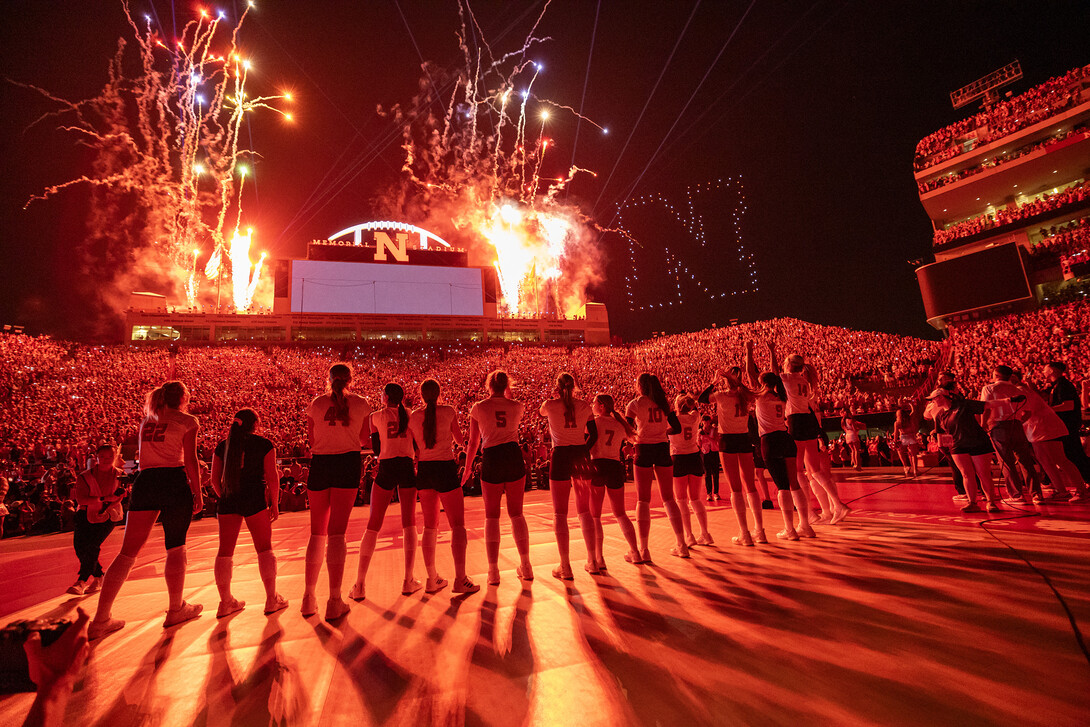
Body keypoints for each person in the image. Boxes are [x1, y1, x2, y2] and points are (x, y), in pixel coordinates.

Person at [89, 381, 202, 640]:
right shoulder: (188, 420)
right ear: (184, 397)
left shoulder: (147, 420)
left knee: (127, 553)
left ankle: (100, 619)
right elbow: (192, 459)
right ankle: (176, 608)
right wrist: (197, 492)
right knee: (176, 546)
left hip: (146, 481)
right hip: (172, 480)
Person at [304, 364, 370, 621]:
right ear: (350, 380)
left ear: (329, 379)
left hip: (321, 463)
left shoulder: (317, 404)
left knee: (316, 532)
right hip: (347, 462)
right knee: (337, 532)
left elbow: (311, 440)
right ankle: (334, 599)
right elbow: (364, 439)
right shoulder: (361, 403)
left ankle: (308, 598)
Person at [209, 409, 288, 617]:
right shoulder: (263, 444)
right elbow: (272, 477)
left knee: (225, 551)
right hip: (254, 496)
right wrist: (275, 503)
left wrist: (225, 496)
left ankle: (225, 601)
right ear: (255, 424)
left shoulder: (222, 446)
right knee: (264, 548)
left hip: (229, 497)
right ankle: (271, 599)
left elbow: (214, 480)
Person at [350, 382, 421, 602]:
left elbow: (378, 448)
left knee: (373, 525)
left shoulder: (375, 417)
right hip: (407, 466)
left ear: (386, 396)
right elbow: (417, 445)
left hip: (387, 466)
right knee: (409, 523)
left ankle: (360, 584)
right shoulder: (411, 414)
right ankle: (408, 580)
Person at [461, 370, 533, 585]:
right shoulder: (517, 406)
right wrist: (507, 392)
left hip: (492, 455)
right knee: (517, 514)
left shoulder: (478, 407)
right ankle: (526, 566)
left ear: (488, 385)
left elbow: (473, 443)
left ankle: (493, 571)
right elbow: (508, 403)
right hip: (512, 454)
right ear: (506, 385)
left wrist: (467, 469)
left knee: (491, 516)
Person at [408, 379, 479, 595]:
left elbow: (414, 447)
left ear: (421, 395)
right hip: (445, 468)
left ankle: (432, 579)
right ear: (439, 394)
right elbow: (459, 440)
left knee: (430, 526)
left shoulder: (413, 416)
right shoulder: (448, 411)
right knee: (457, 525)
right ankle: (460, 579)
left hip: (425, 471)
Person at [768, 343, 851, 524]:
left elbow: (773, 373)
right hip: (807, 421)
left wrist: (772, 351)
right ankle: (837, 505)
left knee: (797, 471)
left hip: (795, 422)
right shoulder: (804, 381)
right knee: (814, 471)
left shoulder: (787, 378)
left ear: (789, 366)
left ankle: (809, 513)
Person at [745, 341, 815, 541]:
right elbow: (776, 373)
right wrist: (772, 351)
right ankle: (805, 526)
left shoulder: (760, 397)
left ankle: (790, 530)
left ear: (762, 383)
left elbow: (751, 373)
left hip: (770, 440)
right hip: (786, 438)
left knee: (782, 486)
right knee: (794, 484)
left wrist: (749, 351)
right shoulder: (782, 396)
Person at [539, 372, 599, 578]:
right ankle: (593, 561)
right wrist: (583, 450)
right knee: (584, 511)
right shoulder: (584, 406)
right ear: (574, 387)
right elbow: (594, 434)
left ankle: (565, 565)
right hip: (580, 453)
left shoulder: (550, 405)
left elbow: (541, 412)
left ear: (557, 387)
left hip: (561, 454)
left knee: (560, 513)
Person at [924, 387, 1022, 513]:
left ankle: (991, 502)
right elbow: (942, 433)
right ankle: (972, 502)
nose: (932, 402)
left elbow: (988, 405)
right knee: (966, 474)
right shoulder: (940, 415)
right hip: (958, 446)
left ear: (941, 397)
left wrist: (1010, 400)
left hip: (977, 442)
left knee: (983, 474)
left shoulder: (964, 405)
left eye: (934, 399)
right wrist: (943, 447)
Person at [625, 372, 689, 560]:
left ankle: (644, 550)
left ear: (640, 386)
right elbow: (676, 427)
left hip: (643, 448)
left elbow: (627, 429)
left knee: (643, 500)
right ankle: (682, 544)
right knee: (669, 498)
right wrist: (662, 431)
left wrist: (633, 440)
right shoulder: (663, 402)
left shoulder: (635, 404)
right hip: (662, 447)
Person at [700, 367, 766, 545]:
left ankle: (744, 533)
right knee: (750, 487)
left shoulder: (721, 395)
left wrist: (714, 381)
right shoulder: (746, 396)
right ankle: (760, 530)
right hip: (744, 439)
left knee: (736, 489)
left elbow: (701, 398)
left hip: (728, 441)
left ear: (726, 380)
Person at [1014, 378, 1089, 503]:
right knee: (1045, 461)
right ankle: (1061, 490)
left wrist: (1015, 424)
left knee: (1060, 459)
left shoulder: (1021, 391)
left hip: (1045, 428)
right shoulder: (1021, 391)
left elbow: (1027, 412)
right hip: (1036, 429)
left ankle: (1082, 491)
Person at [589, 394, 641, 565]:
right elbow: (634, 439)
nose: (593, 405)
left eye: (595, 403)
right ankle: (635, 552)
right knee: (620, 513)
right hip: (614, 466)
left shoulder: (595, 423)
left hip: (597, 464)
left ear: (602, 406)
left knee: (595, 516)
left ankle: (599, 558)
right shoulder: (619, 423)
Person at [67, 444, 125, 595]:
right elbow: (81, 499)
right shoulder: (84, 476)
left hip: (109, 514)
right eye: (103, 457)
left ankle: (82, 581)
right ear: (96, 457)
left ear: (115, 457)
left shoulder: (120, 475)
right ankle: (99, 576)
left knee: (93, 544)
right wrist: (104, 499)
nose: (106, 460)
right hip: (85, 514)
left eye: (110, 457)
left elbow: (119, 498)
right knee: (80, 547)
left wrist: (106, 506)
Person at [980, 366, 1043, 503]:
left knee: (1007, 462)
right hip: (1017, 425)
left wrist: (983, 425)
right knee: (1025, 461)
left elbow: (986, 408)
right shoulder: (1017, 389)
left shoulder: (989, 388)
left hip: (998, 426)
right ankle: (1036, 494)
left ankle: (1016, 495)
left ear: (996, 375)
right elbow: (1027, 412)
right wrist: (1018, 421)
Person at [669, 393, 712, 546]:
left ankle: (689, 536)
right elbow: (695, 404)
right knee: (695, 499)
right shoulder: (695, 416)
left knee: (681, 500)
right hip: (694, 456)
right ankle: (705, 533)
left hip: (679, 457)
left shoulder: (674, 419)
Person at [1043, 362, 1090, 484]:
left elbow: (1069, 405)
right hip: (1064, 425)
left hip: (1068, 425)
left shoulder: (1064, 385)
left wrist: (1049, 410)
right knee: (1071, 453)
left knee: (1074, 454)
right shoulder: (1056, 385)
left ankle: (1086, 480)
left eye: (1045, 369)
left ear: (1052, 371)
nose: (1043, 372)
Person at [892, 405, 921, 477]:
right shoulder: (909, 418)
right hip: (911, 436)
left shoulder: (897, 423)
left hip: (903, 437)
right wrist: (911, 404)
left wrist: (895, 442)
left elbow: (896, 433)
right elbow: (913, 411)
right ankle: (915, 469)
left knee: (900, 451)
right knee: (913, 454)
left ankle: (905, 466)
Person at [698, 417, 721, 502]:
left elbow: (716, 441)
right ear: (702, 422)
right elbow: (699, 444)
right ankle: (709, 493)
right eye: (704, 421)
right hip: (705, 453)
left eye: (708, 421)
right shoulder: (700, 431)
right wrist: (699, 438)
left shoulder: (714, 430)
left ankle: (716, 493)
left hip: (714, 451)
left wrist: (707, 437)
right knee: (707, 474)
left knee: (715, 473)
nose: (706, 423)